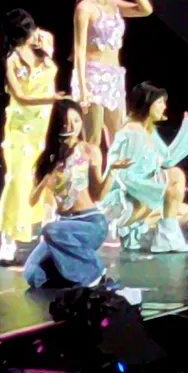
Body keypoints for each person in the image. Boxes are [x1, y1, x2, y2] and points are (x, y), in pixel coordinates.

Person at [24, 99, 129, 289]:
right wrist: (46, 179)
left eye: (77, 121)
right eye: (66, 122)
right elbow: (31, 200)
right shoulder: (48, 158)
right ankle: (73, 277)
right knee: (33, 275)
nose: (72, 126)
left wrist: (112, 171)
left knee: (50, 229)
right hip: (63, 227)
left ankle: (96, 272)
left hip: (90, 223)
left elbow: (98, 195)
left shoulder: (89, 150)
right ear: (58, 124)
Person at [105, 82, 188, 253]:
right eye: (159, 102)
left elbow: (168, 159)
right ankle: (157, 237)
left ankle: (149, 232)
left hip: (141, 196)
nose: (164, 107)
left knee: (183, 211)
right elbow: (123, 176)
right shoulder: (131, 132)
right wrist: (155, 191)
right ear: (146, 104)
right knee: (174, 179)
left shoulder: (148, 131)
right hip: (124, 200)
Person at [0, 9, 61, 265]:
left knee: (47, 176)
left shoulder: (45, 40)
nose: (31, 35)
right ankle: (8, 238)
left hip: (46, 123)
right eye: (24, 33)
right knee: (17, 178)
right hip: (21, 125)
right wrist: (51, 98)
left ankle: (49, 233)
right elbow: (21, 96)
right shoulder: (11, 60)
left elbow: (51, 65)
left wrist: (45, 49)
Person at [72, 0, 152, 147]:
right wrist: (83, 88)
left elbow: (146, 9)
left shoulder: (114, 4)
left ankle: (116, 169)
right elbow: (79, 49)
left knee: (118, 138)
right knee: (92, 139)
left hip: (114, 76)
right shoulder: (85, 7)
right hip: (92, 77)